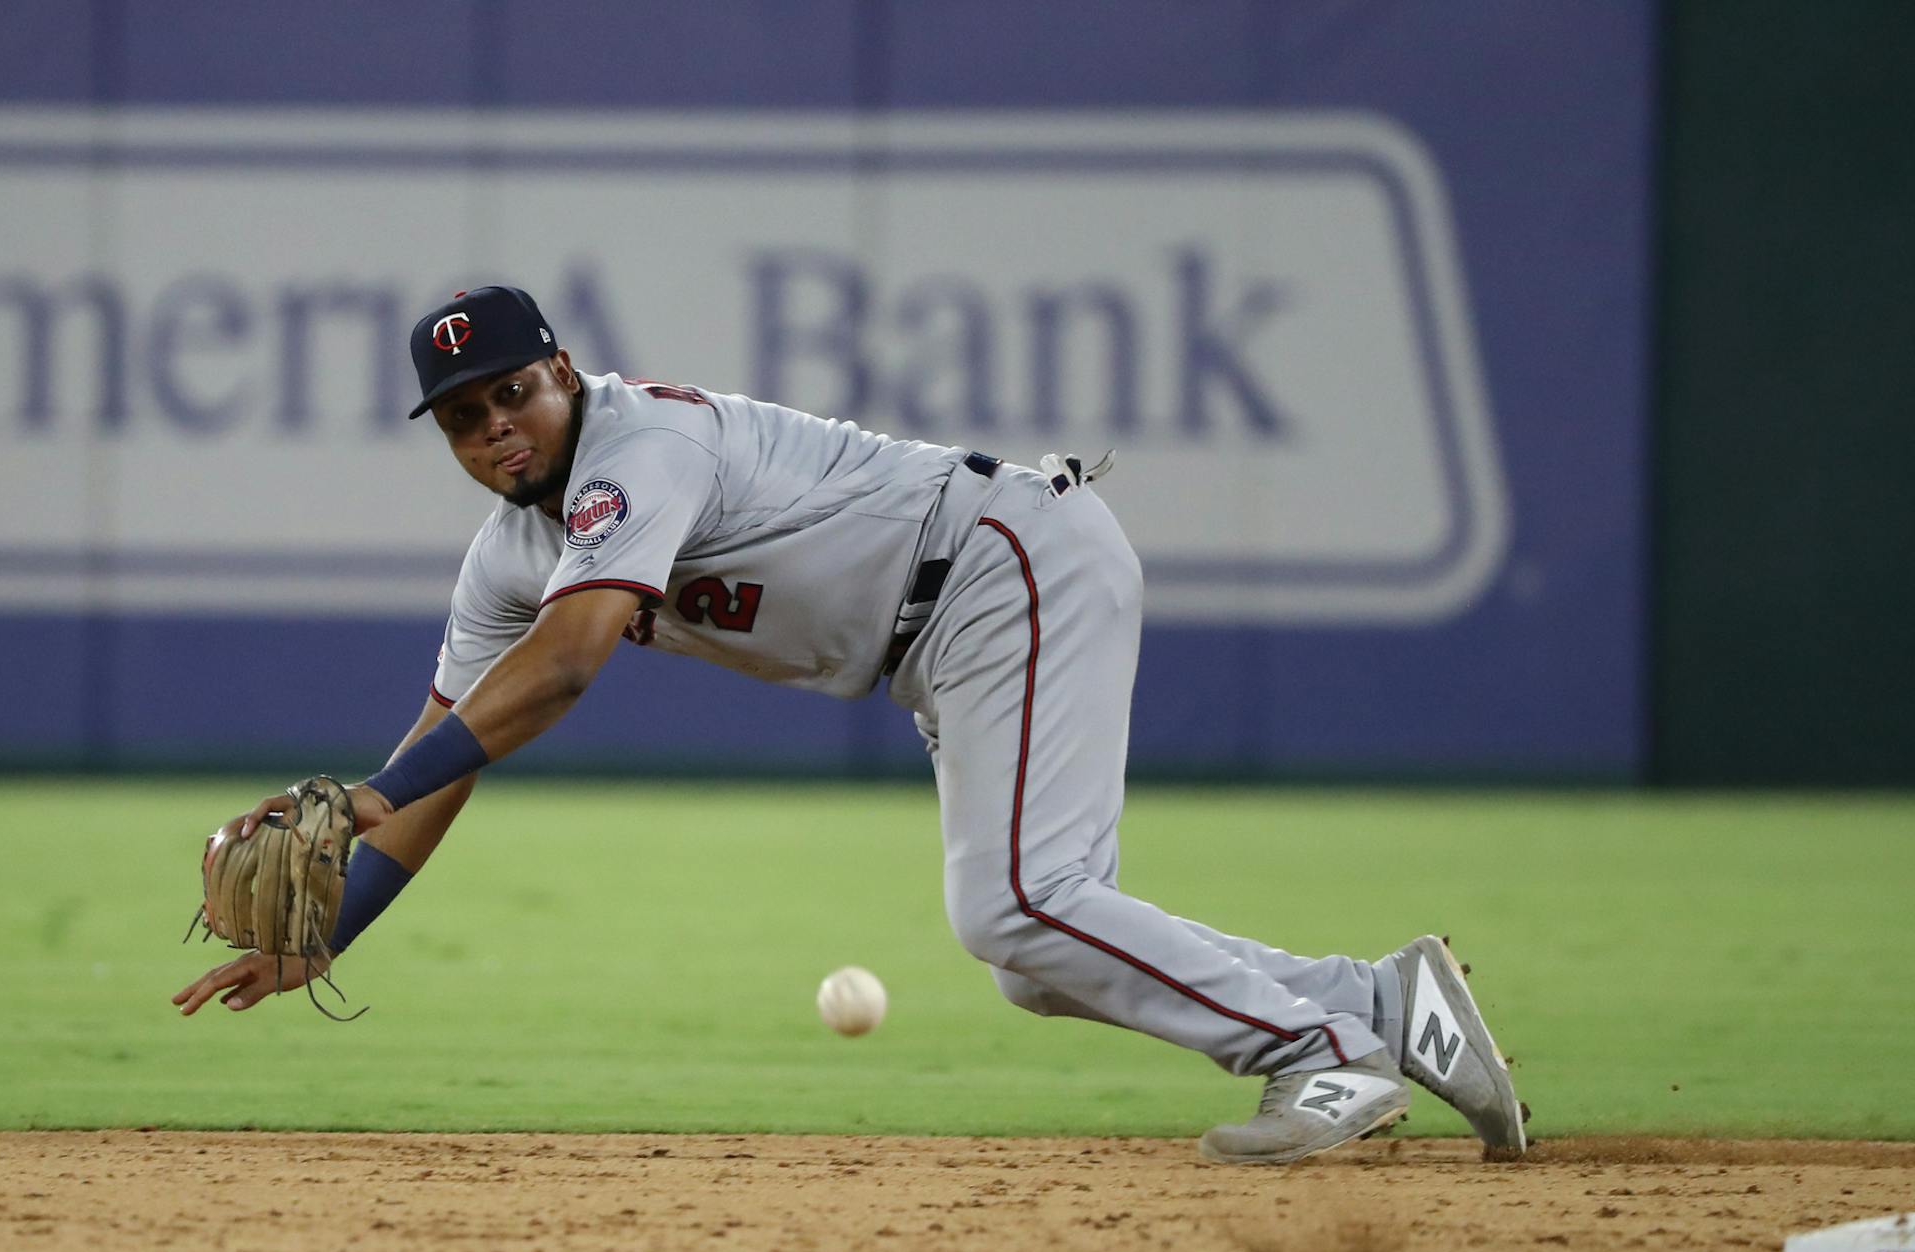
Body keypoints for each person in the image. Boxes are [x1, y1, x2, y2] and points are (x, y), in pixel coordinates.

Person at [171, 285, 1527, 1165]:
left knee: (1016, 905)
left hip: (1001, 562)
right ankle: (1379, 1001)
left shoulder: (643, 444)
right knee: (1039, 951)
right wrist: (324, 927)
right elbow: (448, 751)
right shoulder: (505, 556)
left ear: (565, 373)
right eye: (465, 419)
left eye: (513, 393)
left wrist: (357, 798)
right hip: (944, 634)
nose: (496, 430)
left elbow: (570, 666)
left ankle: (1317, 1055)